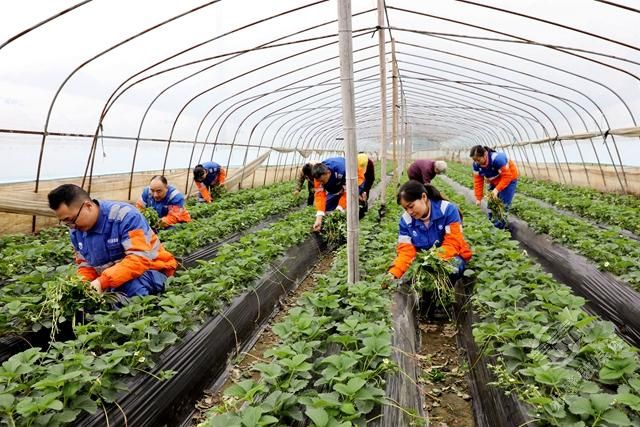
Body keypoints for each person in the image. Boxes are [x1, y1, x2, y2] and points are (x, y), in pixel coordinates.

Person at [48, 184, 177, 298]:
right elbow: (85, 264)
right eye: (66, 223)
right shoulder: (76, 231)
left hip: (154, 270)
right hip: (115, 277)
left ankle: (140, 313)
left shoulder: (126, 216)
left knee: (129, 288)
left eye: (72, 220)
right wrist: (83, 285)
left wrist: (102, 282)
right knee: (85, 298)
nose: (72, 226)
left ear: (88, 206)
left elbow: (139, 259)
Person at [387, 180, 473, 282]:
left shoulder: (448, 210)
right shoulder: (406, 220)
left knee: (453, 268)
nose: (409, 212)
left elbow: (453, 243)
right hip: (424, 261)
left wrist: (431, 259)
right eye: (406, 209)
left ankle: (450, 288)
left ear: (424, 197)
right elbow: (406, 251)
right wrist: (394, 272)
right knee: (410, 277)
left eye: (411, 206)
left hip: (451, 256)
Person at [469, 145, 519, 229]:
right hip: (495, 180)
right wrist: (478, 198)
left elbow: (507, 177)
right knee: (492, 202)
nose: (477, 162)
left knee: (503, 205)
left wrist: (496, 190)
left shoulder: (498, 159)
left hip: (509, 178)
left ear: (485, 154)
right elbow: (478, 181)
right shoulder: (476, 165)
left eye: (478, 159)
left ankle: (499, 228)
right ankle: (492, 222)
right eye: (474, 160)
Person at [311, 157, 365, 232]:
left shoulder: (344, 171)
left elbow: (348, 192)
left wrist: (340, 207)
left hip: (356, 178)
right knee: (328, 206)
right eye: (319, 181)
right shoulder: (318, 176)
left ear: (328, 173)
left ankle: (359, 209)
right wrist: (319, 217)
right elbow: (320, 195)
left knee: (351, 201)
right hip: (338, 182)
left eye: (322, 181)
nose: (321, 183)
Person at [357, 153, 376, 219]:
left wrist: (365, 191)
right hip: (357, 181)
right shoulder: (354, 163)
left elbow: (371, 179)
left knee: (364, 199)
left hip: (366, 182)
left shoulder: (370, 164)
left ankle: (363, 215)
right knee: (355, 198)